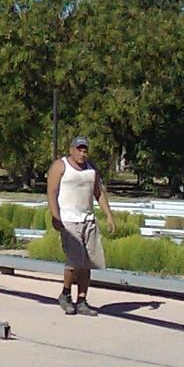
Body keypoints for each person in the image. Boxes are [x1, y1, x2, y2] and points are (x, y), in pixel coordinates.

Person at [47, 135, 116, 316]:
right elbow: (52, 192)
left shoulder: (91, 170)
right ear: (71, 150)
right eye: (79, 149)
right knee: (75, 261)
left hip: (88, 220)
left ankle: (82, 300)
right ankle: (66, 293)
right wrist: (55, 216)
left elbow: (98, 193)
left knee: (87, 262)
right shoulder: (60, 166)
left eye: (85, 150)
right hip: (69, 220)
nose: (82, 153)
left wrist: (108, 215)